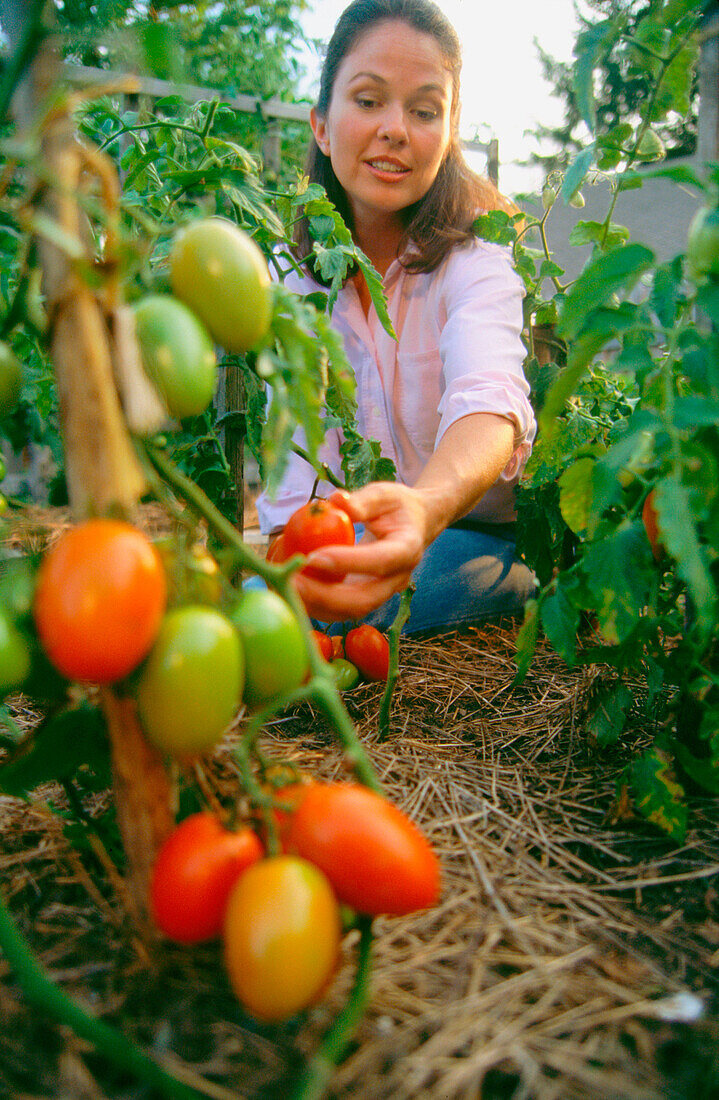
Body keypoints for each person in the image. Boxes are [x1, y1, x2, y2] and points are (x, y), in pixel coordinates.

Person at [255, 0, 537, 634]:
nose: (396, 129)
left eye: (424, 110)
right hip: (366, 535)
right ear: (322, 126)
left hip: (475, 539)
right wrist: (300, 566)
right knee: (284, 601)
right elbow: (297, 488)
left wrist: (425, 507)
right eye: (368, 100)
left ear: (448, 134)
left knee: (345, 604)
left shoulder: (478, 261)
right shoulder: (293, 282)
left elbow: (488, 403)